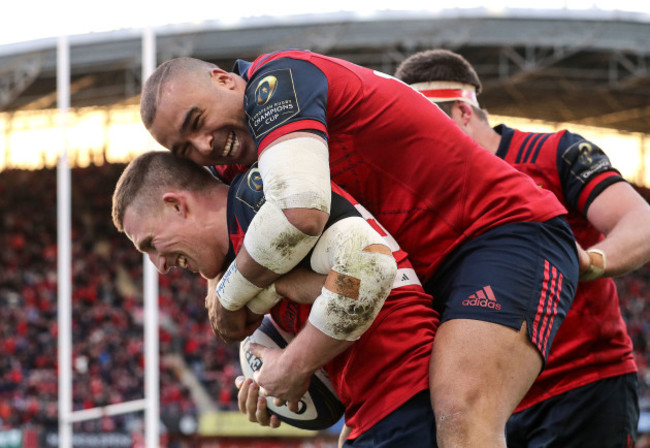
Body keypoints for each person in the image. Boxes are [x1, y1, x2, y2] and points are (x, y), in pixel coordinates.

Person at [139, 52, 581, 447]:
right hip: (426, 274)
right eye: (183, 149)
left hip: (500, 232)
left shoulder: (279, 79)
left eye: (196, 122)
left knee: (461, 415)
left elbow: (301, 212)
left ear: (224, 80)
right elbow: (228, 298)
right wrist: (262, 369)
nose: (203, 146)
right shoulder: (236, 168)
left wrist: (271, 338)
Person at [394, 48, 650, 448]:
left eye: (423, 129)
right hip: (489, 403)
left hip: (582, 387)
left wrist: (589, 262)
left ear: (463, 113)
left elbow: (641, 222)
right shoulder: (421, 195)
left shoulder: (553, 152)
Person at [111, 151, 438, 447]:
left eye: (151, 244)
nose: (160, 267)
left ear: (176, 205)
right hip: (375, 409)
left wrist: (291, 363)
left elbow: (372, 277)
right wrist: (274, 390)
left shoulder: (267, 201)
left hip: (404, 393)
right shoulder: (241, 247)